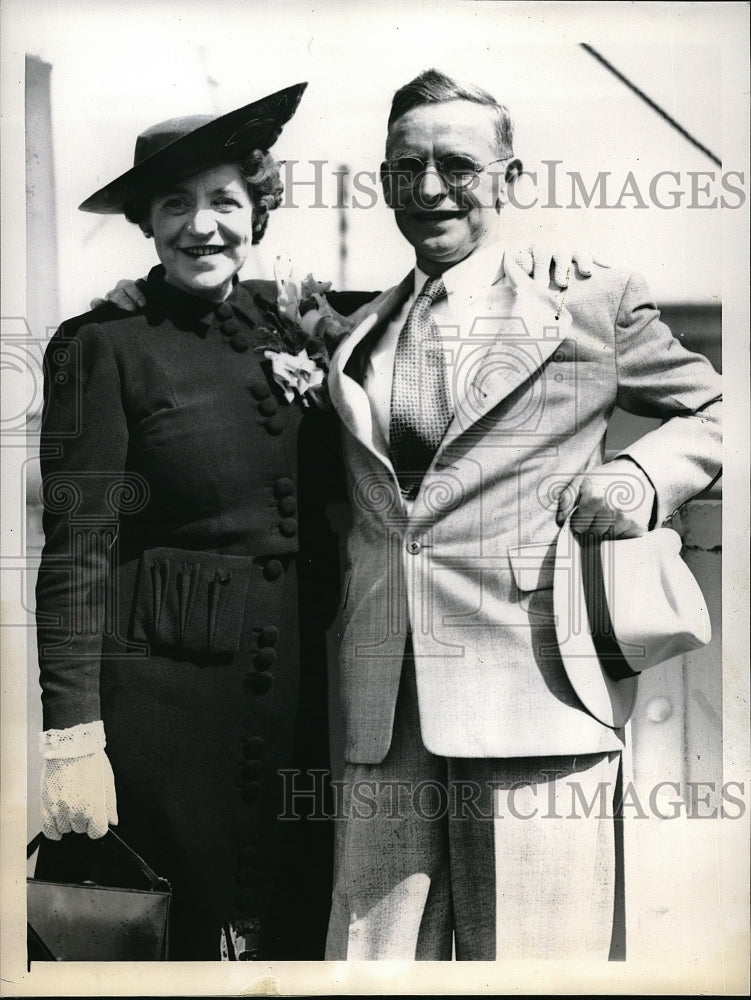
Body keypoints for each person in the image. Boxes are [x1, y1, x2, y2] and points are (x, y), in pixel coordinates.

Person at [316, 69, 722, 960]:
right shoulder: (354, 333)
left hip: (536, 693)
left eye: (457, 166)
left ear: (512, 179)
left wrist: (640, 477)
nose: (428, 190)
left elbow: (716, 412)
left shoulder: (587, 302)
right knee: (369, 967)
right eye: (404, 167)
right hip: (382, 711)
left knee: (539, 970)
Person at [33, 82, 343, 960]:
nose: (201, 226)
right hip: (167, 701)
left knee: (294, 933)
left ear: (258, 213)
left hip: (300, 700)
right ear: (146, 222)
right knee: (170, 935)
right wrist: (72, 742)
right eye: (175, 204)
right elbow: (76, 553)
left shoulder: (289, 329)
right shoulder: (100, 348)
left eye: (224, 201)